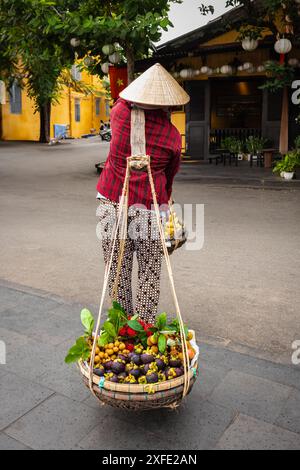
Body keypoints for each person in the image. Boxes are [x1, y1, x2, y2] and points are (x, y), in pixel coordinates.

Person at [96, 63, 189, 324]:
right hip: (148, 210)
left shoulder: (119, 114)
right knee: (149, 272)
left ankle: (122, 325)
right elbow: (169, 177)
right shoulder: (171, 136)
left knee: (117, 272)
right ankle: (143, 328)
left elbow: (123, 99)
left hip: (111, 202)